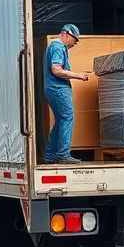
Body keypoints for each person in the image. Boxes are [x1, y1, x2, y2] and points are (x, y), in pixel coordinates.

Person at [43, 24, 89, 164]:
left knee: (61, 121)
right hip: (58, 89)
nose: (74, 44)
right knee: (67, 118)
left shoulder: (56, 47)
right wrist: (78, 76)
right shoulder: (57, 47)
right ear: (67, 34)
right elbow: (56, 70)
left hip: (54, 89)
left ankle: (50, 155)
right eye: (74, 40)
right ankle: (63, 155)